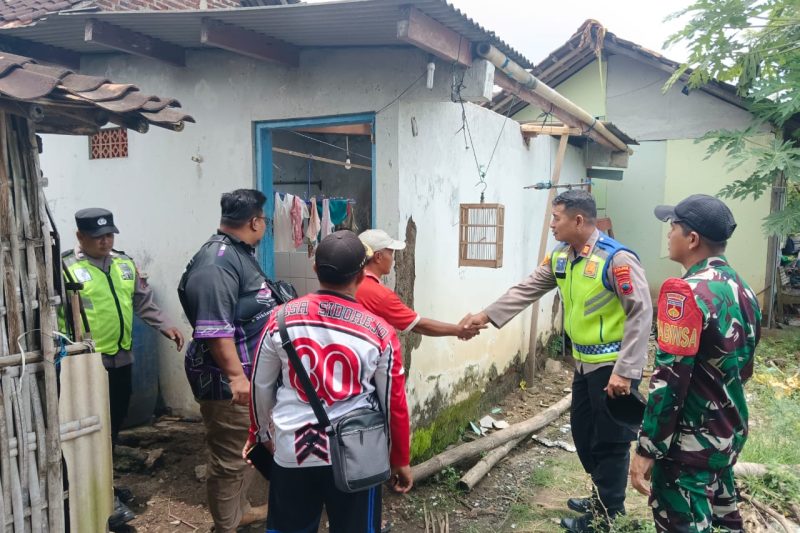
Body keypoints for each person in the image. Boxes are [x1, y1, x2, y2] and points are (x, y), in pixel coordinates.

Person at [460, 189, 652, 532]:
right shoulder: (563, 257)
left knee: (610, 440)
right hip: (583, 365)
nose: (552, 224)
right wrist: (485, 316)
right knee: (583, 433)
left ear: (578, 220)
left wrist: (626, 371)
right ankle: (602, 495)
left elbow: (640, 313)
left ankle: (608, 516)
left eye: (556, 218)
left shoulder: (616, 259)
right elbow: (527, 288)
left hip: (612, 368)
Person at [247, 230, 413, 533]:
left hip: (292, 450)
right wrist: (399, 457)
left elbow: (260, 385)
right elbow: (394, 403)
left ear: (315, 269)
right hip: (358, 453)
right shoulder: (379, 331)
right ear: (363, 274)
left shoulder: (280, 319)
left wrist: (259, 433)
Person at [630, 194, 761, 532]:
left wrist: (648, 448)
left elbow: (669, 380)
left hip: (688, 443)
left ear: (692, 239)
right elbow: (743, 368)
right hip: (726, 432)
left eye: (672, 227)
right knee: (723, 522)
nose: (668, 234)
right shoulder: (742, 288)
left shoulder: (683, 292)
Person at [61, 207, 184, 529]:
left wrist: (166, 326)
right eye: (97, 237)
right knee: (90, 431)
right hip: (84, 366)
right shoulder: (65, 269)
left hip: (122, 360)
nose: (105, 242)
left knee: (113, 427)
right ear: (80, 237)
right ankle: (96, 494)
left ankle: (107, 484)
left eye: (109, 235)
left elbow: (143, 302)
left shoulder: (124, 264)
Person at [178, 189, 277, 532]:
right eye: (265, 220)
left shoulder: (237, 253)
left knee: (247, 452)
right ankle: (225, 526)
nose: (265, 225)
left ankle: (240, 511)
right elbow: (215, 330)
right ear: (254, 221)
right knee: (231, 460)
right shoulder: (216, 264)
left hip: (248, 378)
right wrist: (237, 376)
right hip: (227, 383)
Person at [357, 229, 483, 340]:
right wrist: (459, 330)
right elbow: (418, 325)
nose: (393, 258)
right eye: (390, 253)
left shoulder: (347, 282)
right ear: (378, 257)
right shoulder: (379, 294)